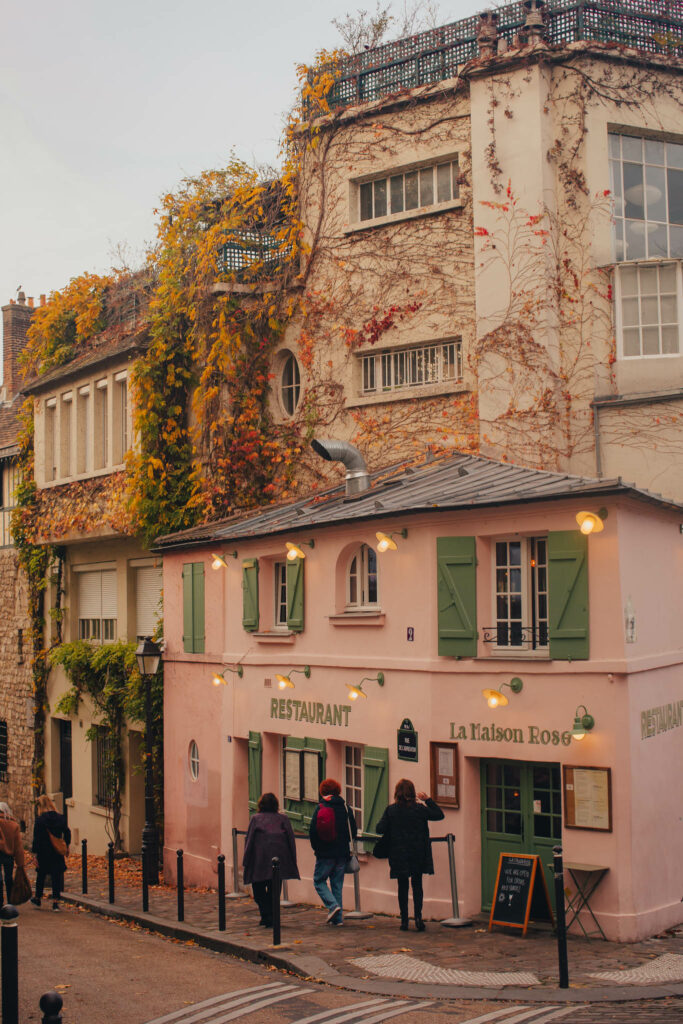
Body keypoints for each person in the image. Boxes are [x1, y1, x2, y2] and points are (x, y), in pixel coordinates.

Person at [376, 778, 444, 931]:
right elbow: (439, 815)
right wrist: (428, 800)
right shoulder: (419, 809)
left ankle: (404, 920)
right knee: (417, 885)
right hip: (418, 851)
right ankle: (418, 918)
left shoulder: (391, 810)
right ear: (412, 793)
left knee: (402, 886)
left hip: (399, 852)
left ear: (397, 793)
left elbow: (379, 828)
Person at [242, 792, 300, 927]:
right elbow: (291, 840)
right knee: (272, 892)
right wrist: (292, 859)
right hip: (276, 861)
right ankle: (268, 916)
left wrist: (246, 860)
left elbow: (249, 840)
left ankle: (268, 916)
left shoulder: (259, 819)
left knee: (259, 892)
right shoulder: (277, 819)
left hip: (260, 862)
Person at [309, 778, 357, 926]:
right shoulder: (345, 807)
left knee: (319, 881)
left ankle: (333, 906)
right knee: (337, 885)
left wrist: (317, 849)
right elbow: (353, 831)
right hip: (342, 853)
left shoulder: (321, 806)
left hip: (325, 853)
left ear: (323, 791)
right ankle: (338, 919)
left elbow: (313, 831)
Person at [30, 794, 71, 911]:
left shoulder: (40, 820)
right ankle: (55, 902)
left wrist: (35, 855)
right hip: (56, 851)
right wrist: (66, 845)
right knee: (56, 876)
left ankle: (38, 898)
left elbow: (36, 838)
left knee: (41, 875)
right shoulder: (60, 818)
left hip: (43, 851)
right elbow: (67, 832)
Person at [0, 802, 25, 905]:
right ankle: (10, 901)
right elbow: (18, 846)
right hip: (9, 855)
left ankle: (0, 902)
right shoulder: (14, 825)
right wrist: (20, 863)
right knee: (9, 878)